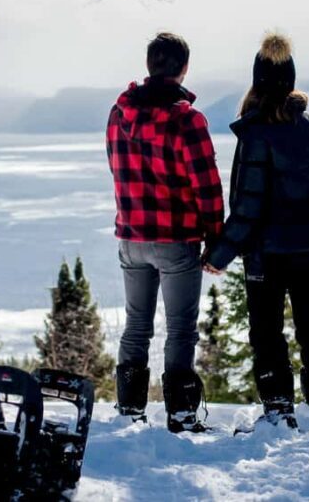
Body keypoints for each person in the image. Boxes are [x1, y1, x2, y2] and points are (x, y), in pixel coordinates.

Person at [204, 33, 309, 428]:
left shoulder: (256, 133)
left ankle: (278, 409)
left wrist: (219, 254)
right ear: (291, 80)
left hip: (266, 254)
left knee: (267, 332)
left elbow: (247, 205)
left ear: (257, 82)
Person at [106, 32, 224, 433]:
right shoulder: (187, 120)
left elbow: (116, 168)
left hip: (132, 236)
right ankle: (181, 414)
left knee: (136, 324)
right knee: (180, 328)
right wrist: (216, 238)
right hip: (176, 238)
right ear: (184, 68)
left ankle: (129, 412)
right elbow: (206, 184)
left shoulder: (118, 115)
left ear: (149, 64)